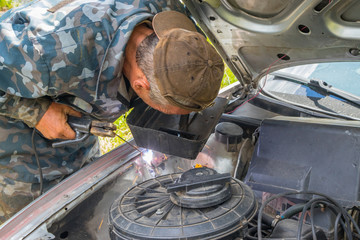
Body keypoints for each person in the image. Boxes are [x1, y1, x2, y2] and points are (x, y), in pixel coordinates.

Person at [0, 0, 224, 223]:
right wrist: (36, 112)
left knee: (86, 200)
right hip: (16, 132)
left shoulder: (176, 24)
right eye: (170, 110)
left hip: (72, 110)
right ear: (140, 85)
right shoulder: (49, 52)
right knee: (42, 218)